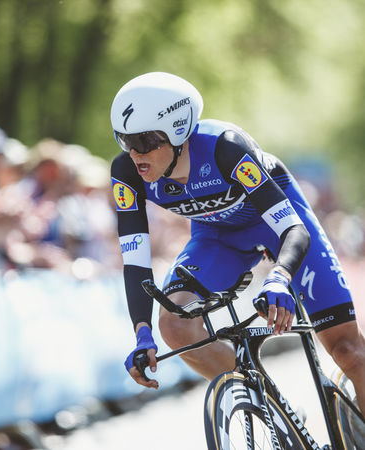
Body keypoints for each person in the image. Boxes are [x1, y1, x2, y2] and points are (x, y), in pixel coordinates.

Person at [109, 72, 365, 416]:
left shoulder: (225, 148)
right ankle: (274, 410)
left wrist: (279, 277)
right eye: (125, 141)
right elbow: (135, 263)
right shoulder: (126, 172)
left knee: (349, 352)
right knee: (174, 325)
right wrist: (142, 334)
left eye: (144, 141)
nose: (134, 154)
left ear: (178, 131)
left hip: (277, 226)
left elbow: (294, 229)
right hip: (217, 237)